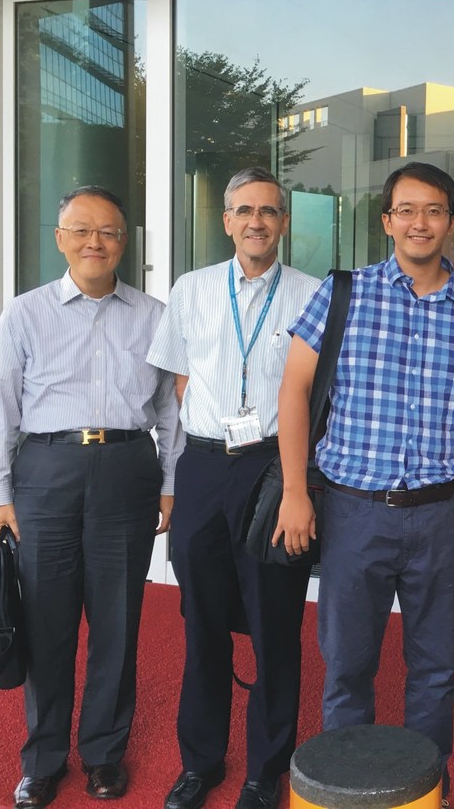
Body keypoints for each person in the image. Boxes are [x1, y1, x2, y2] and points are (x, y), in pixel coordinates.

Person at [276, 161, 454, 799]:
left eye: (433, 210)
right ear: (386, 221)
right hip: (355, 511)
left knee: (435, 670)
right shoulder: (344, 292)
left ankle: (422, 789)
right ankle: (342, 791)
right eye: (406, 210)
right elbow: (293, 391)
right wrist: (297, 491)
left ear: (451, 223)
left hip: (443, 514)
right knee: (348, 666)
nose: (419, 222)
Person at [0, 185, 178, 808]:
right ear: (60, 238)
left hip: (126, 470)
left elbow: (170, 409)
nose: (96, 241)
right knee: (47, 622)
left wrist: (170, 481)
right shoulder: (26, 312)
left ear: (124, 241)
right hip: (46, 472)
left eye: (110, 231)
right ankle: (42, 760)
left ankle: (104, 754)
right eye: (82, 230)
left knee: (117, 620)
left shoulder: (152, 314)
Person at [147, 167, 320, 809]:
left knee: (276, 623)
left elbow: (316, 393)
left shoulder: (312, 294)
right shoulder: (190, 290)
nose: (256, 221)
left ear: (284, 222)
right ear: (225, 221)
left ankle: (264, 771)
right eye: (244, 210)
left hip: (273, 468)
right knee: (203, 620)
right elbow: (179, 383)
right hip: (202, 467)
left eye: (269, 211)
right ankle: (203, 762)